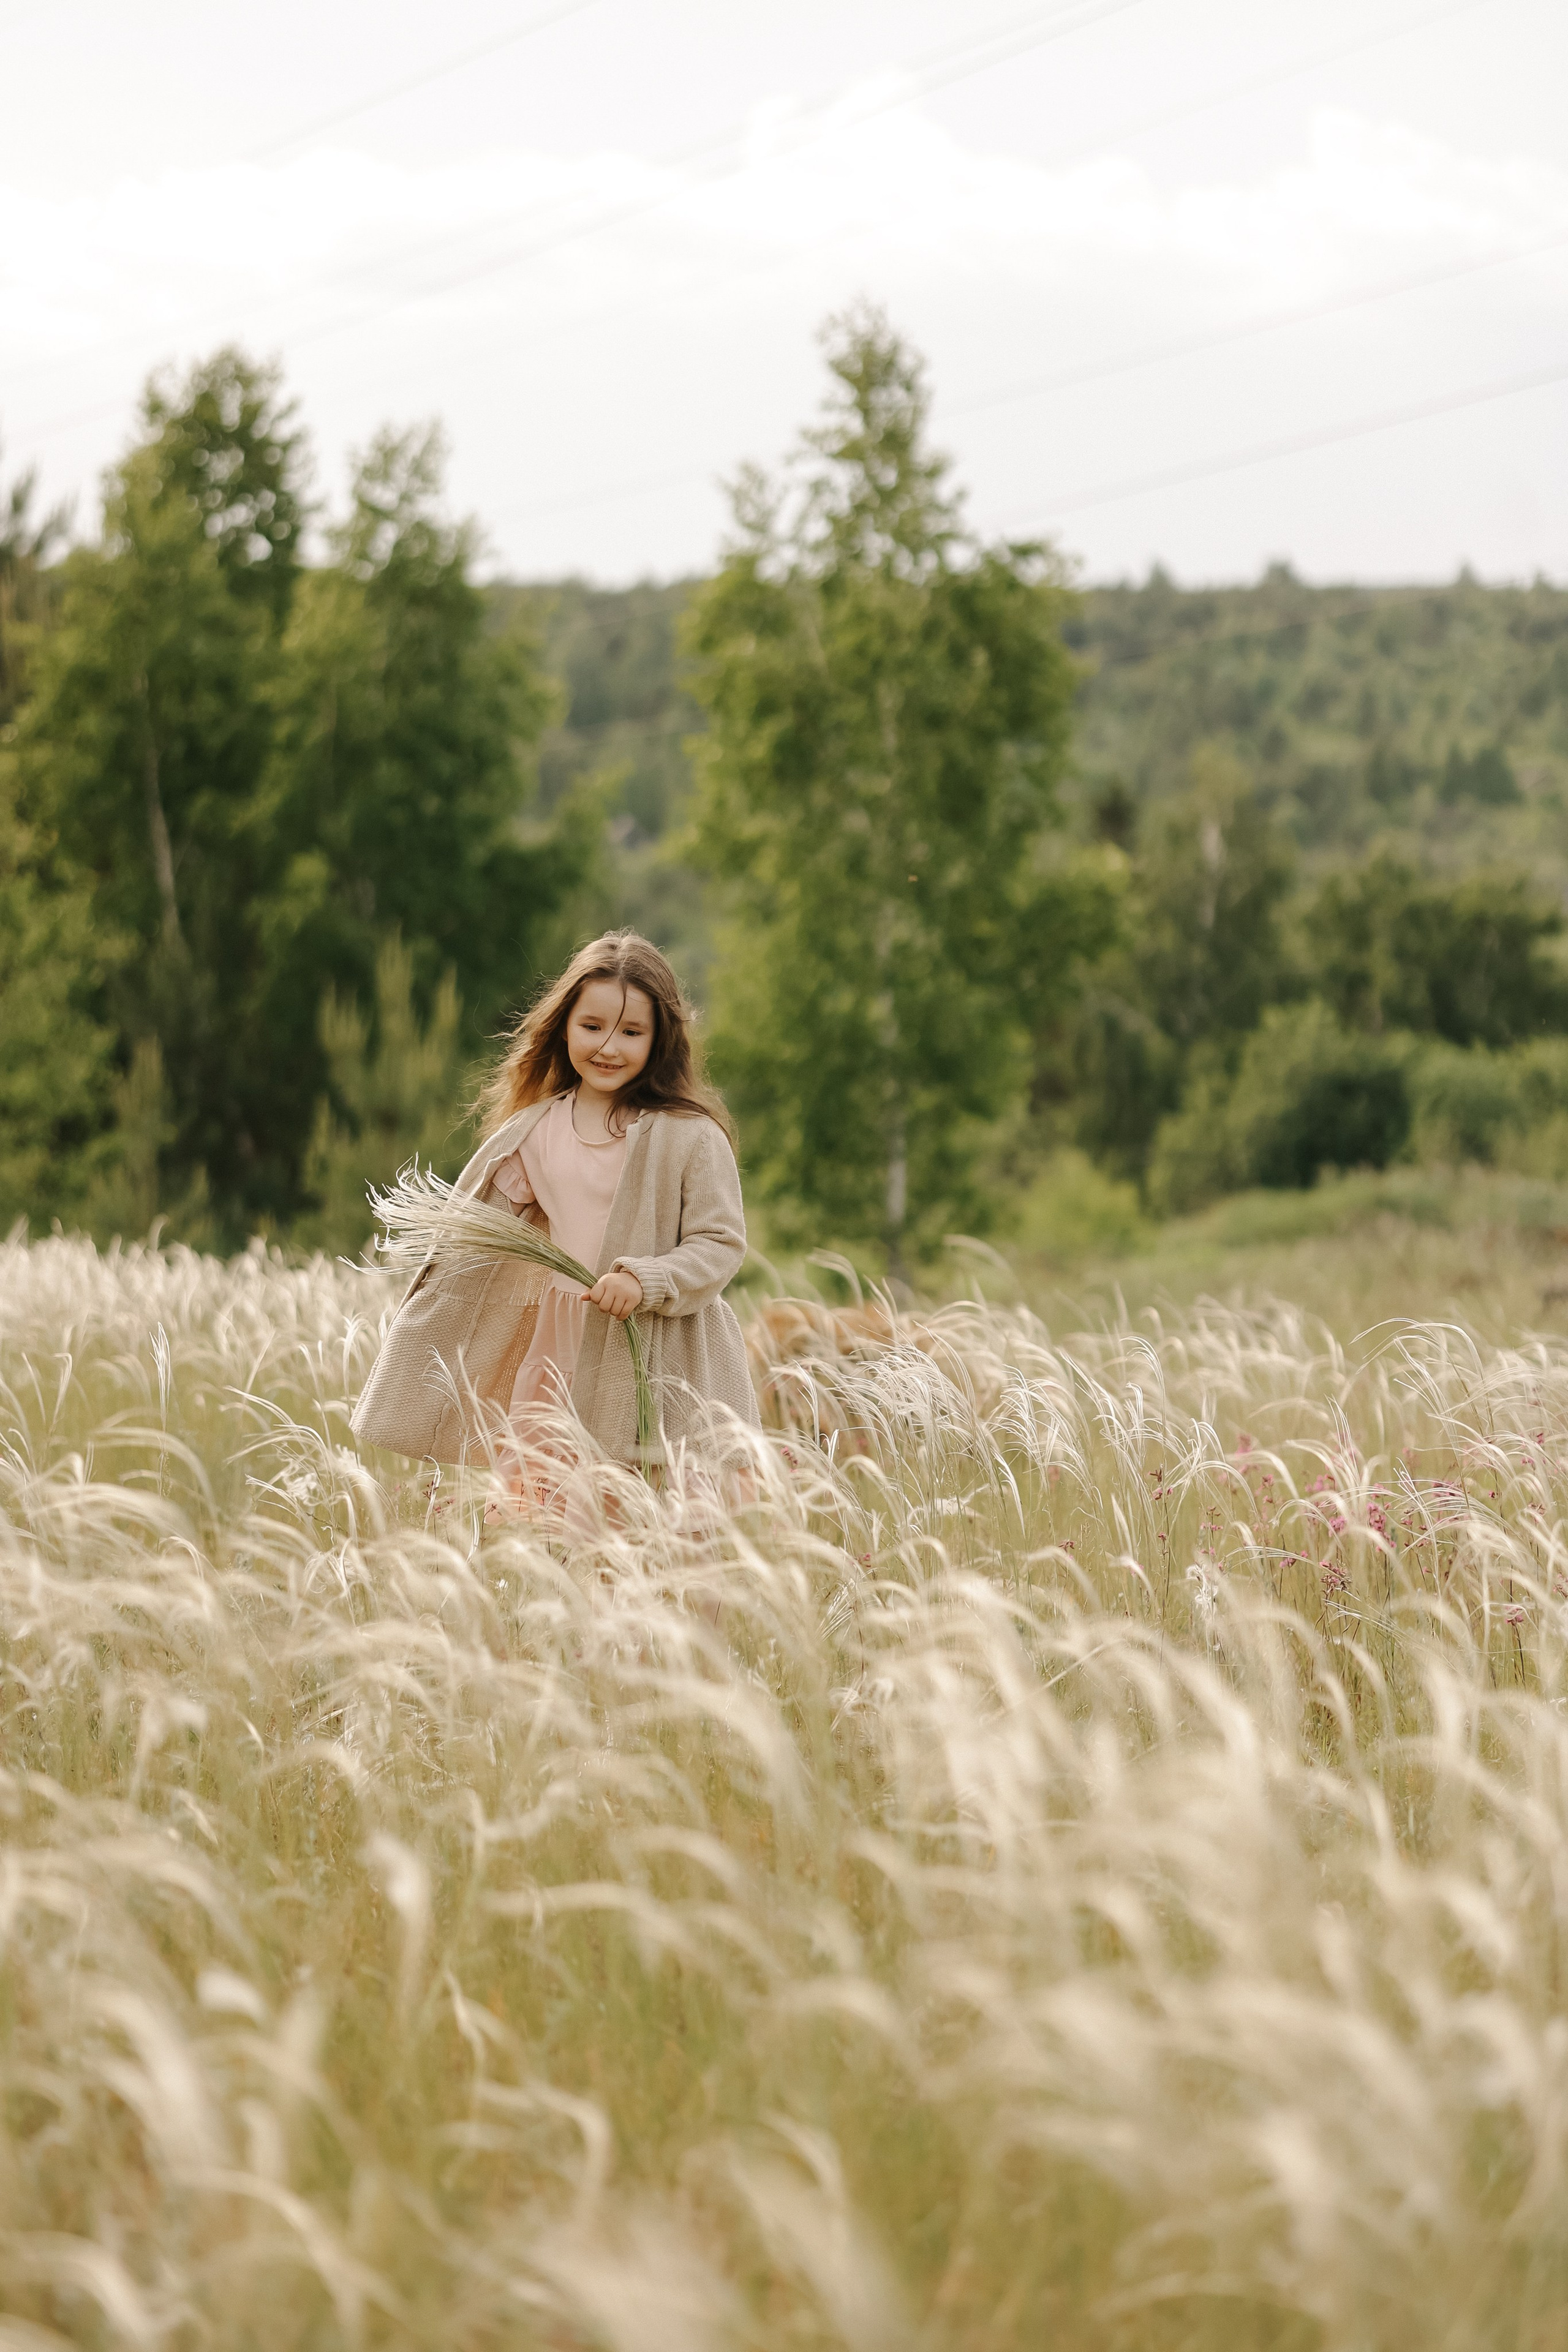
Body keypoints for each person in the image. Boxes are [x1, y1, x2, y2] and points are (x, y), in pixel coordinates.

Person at [351, 932, 760, 1479]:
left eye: (631, 1032)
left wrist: (646, 1280)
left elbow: (720, 1243)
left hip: (662, 1343)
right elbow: (479, 1235)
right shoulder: (534, 1131)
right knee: (550, 1502)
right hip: (562, 1340)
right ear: (564, 1025)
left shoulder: (690, 1136)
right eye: (592, 1026)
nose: (608, 1047)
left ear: (659, 1040)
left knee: (644, 1504)